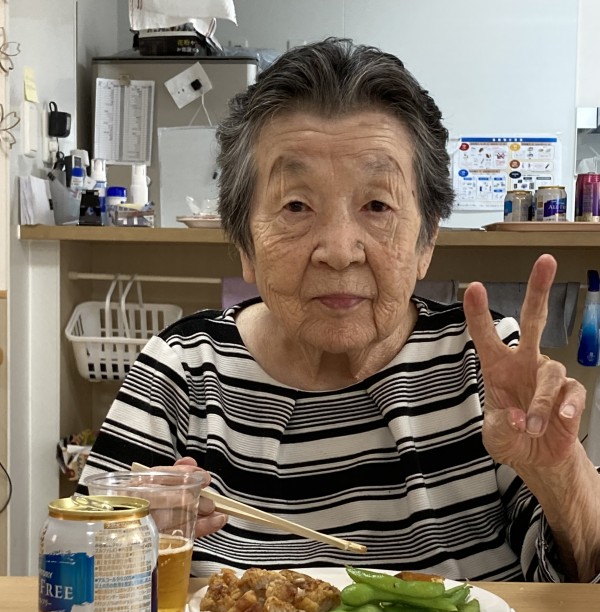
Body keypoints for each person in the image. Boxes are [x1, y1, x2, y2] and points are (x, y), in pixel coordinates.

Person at [80, 38, 600, 583]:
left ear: (426, 241)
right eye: (296, 205)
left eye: (377, 205)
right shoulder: (182, 369)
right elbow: (77, 576)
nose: (339, 250)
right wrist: (127, 546)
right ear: (244, 243)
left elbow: (579, 591)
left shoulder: (480, 363)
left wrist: (560, 475)